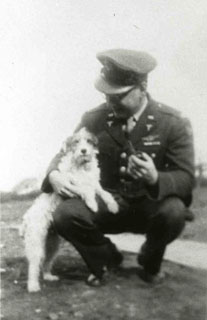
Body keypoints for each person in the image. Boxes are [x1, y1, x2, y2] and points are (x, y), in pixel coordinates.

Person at [41, 49, 195, 286]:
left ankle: (150, 261)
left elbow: (185, 178)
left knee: (174, 212)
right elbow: (65, 151)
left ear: (142, 88)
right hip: (107, 204)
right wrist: (54, 174)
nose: (110, 102)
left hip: (149, 207)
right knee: (65, 214)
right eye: (107, 95)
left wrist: (156, 178)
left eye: (118, 95)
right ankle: (106, 259)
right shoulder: (94, 118)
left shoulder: (171, 122)